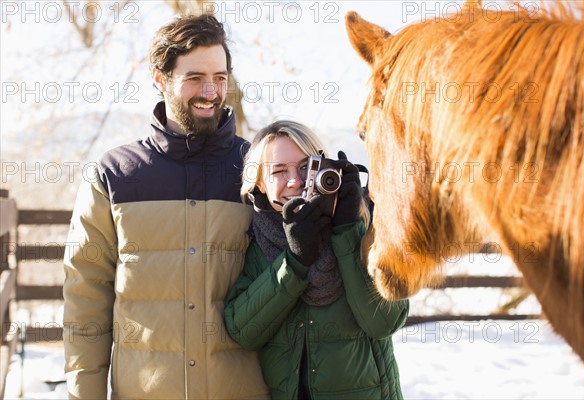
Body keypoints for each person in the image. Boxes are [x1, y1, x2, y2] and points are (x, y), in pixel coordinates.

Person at [63, 14, 269, 399]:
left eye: (220, 78)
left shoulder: (260, 170)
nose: (210, 91)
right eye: (194, 78)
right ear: (160, 79)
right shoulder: (114, 176)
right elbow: (85, 298)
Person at [224, 120, 409, 400]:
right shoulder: (258, 242)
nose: (295, 181)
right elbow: (243, 331)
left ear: (324, 167)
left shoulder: (365, 224)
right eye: (278, 171)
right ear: (260, 183)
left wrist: (347, 229)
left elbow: (385, 322)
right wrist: (295, 262)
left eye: (304, 167)